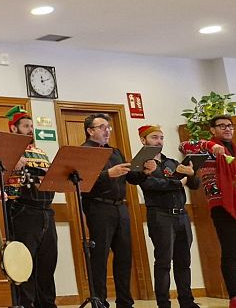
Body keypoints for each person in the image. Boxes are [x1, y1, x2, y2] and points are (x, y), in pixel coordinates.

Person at [80, 113, 152, 308]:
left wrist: (144, 172)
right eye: (102, 127)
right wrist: (107, 175)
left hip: (121, 207)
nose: (107, 131)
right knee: (100, 256)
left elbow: (130, 178)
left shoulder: (115, 151)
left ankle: (125, 301)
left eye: (108, 127)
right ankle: (100, 301)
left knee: (124, 256)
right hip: (98, 207)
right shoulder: (84, 151)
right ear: (90, 131)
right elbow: (82, 182)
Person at [134, 125, 200, 308]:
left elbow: (194, 185)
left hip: (182, 216)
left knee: (183, 262)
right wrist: (179, 182)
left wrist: (191, 174)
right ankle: (163, 303)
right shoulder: (141, 165)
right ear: (143, 140)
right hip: (160, 216)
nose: (159, 141)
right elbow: (151, 184)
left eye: (161, 137)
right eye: (154, 137)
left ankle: (187, 302)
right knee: (163, 262)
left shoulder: (171, 162)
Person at [3, 106, 57, 308]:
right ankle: (26, 304)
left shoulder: (41, 152)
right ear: (14, 128)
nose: (30, 130)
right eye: (26, 126)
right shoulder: (8, 151)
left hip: (46, 210)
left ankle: (47, 303)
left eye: (32, 126)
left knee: (47, 261)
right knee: (23, 263)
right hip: (22, 209)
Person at [180, 114, 236, 307]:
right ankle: (235, 297)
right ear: (212, 130)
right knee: (231, 251)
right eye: (222, 126)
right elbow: (184, 146)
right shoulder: (209, 149)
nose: (227, 129)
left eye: (230, 126)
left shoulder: (234, 149)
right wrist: (210, 145)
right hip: (221, 205)